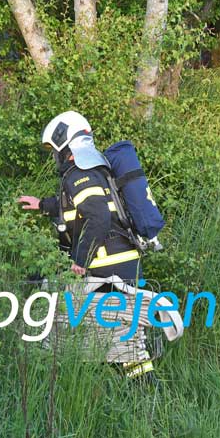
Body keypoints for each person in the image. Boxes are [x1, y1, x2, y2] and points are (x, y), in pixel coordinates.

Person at [18, 111, 164, 382]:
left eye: (56, 149)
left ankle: (145, 391)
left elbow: (97, 217)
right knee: (119, 328)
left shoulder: (79, 174)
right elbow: (75, 207)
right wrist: (42, 204)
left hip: (107, 263)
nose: (55, 156)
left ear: (67, 145)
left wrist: (80, 260)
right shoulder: (94, 170)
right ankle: (142, 390)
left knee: (114, 330)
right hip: (120, 258)